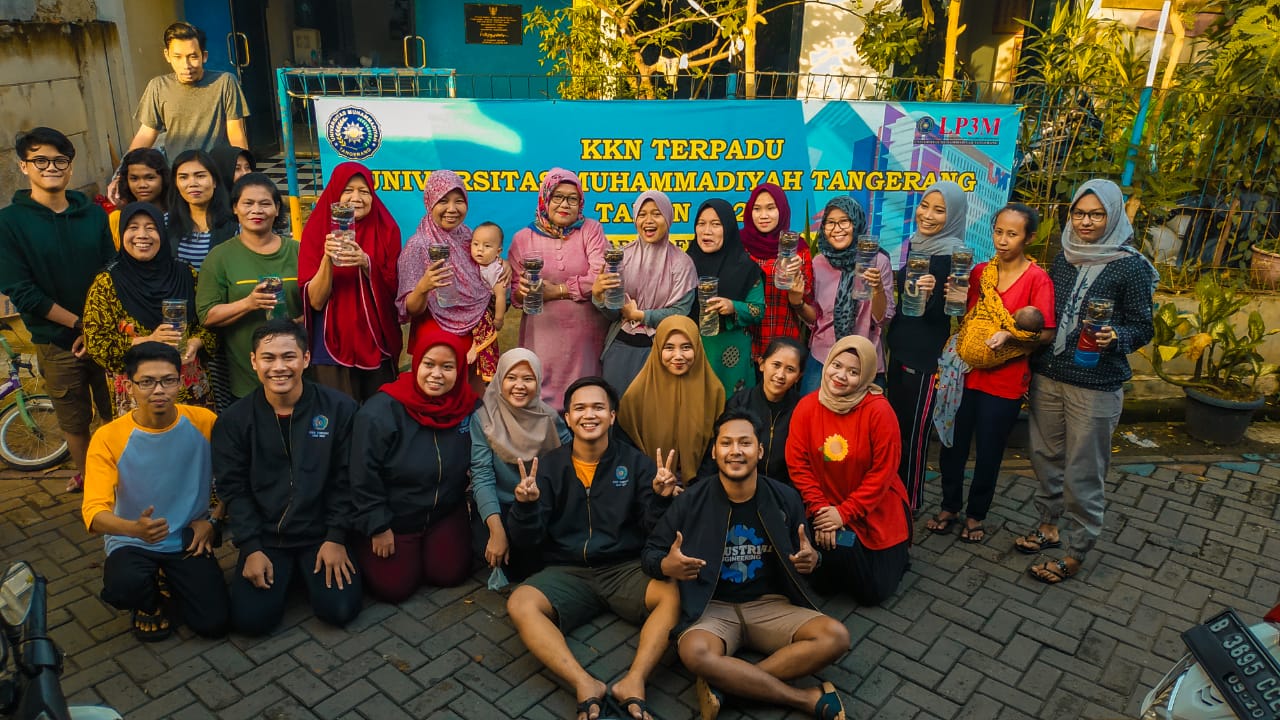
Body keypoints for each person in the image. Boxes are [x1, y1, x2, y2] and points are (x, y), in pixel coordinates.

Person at [641, 409, 849, 720]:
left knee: (836, 636)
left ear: (760, 450)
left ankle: (728, 685)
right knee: (694, 653)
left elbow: (808, 551)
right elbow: (651, 553)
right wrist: (666, 566)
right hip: (713, 608)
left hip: (770, 604)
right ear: (714, 450)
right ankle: (804, 698)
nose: (735, 451)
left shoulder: (785, 498)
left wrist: (814, 560)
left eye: (745, 443)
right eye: (726, 443)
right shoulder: (691, 500)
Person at [506, 377, 682, 720]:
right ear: (568, 418)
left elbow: (651, 530)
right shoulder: (550, 467)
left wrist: (661, 499)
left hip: (624, 568)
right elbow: (527, 540)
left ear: (613, 416)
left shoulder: (637, 464)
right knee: (520, 603)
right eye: (580, 408)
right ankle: (584, 682)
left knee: (673, 594)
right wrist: (524, 508)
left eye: (599, 407)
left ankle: (634, 680)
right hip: (567, 570)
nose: (590, 415)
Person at [1019, 180, 1156, 584]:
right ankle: (1048, 525)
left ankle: (1076, 551)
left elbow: (1143, 327)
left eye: (1096, 214)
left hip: (1095, 385)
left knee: (1084, 470)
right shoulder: (1064, 255)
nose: (1086, 222)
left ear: (1112, 216)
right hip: (1050, 374)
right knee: (1045, 457)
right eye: (1079, 213)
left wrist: (1117, 337)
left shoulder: (1130, 265)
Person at [213, 319, 362, 635]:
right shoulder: (233, 421)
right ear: (254, 361)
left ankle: (306, 571)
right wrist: (251, 547)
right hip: (268, 538)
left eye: (289, 356)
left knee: (339, 610)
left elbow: (346, 478)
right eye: (268, 358)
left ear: (306, 359)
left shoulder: (339, 409)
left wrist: (336, 537)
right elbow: (234, 489)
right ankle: (287, 573)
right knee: (252, 622)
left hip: (320, 534)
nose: (279, 367)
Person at [927, 204, 1056, 543]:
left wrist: (1011, 335)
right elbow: (964, 315)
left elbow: (1046, 333)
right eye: (998, 231)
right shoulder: (980, 272)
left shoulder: (1037, 279)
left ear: (1029, 237)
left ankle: (975, 514)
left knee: (989, 451)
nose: (1002, 240)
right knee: (951, 445)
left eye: (1012, 234)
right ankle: (949, 506)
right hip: (965, 374)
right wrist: (951, 296)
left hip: (1005, 380)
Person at [81, 342, 228, 641]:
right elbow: (94, 513)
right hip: (131, 540)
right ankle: (147, 602)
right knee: (125, 584)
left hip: (188, 536)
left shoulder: (205, 422)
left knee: (214, 624)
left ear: (181, 380)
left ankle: (167, 577)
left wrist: (213, 520)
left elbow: (236, 476)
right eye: (146, 382)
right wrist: (134, 529)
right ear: (128, 385)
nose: (158, 390)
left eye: (168, 380)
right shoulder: (108, 437)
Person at [0, 127, 115, 493]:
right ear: (24, 166)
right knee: (74, 416)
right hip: (57, 341)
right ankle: (91, 481)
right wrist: (80, 325)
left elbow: (111, 271)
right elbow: (22, 291)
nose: (51, 167)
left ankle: (128, 477)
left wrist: (98, 326)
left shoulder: (92, 214)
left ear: (70, 166)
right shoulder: (9, 223)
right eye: (40, 160)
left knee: (118, 408)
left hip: (107, 333)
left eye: (60, 160)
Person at [349, 328, 479, 602]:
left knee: (451, 574)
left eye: (447, 366)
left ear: (459, 370)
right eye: (428, 364)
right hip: (395, 517)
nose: (436, 374)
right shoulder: (381, 411)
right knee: (394, 588)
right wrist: (377, 526)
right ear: (416, 363)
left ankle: (430, 548)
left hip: (443, 511)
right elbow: (362, 474)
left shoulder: (469, 407)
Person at [786, 335, 910, 606]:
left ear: (866, 376)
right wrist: (822, 511)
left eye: (853, 372)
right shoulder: (807, 407)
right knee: (822, 583)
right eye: (837, 365)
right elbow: (798, 464)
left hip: (874, 507)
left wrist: (844, 513)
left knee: (873, 593)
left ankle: (896, 555)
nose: (841, 376)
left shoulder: (879, 411)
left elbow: (883, 472)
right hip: (823, 507)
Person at [84, 202, 217, 416]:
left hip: (189, 388)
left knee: (194, 445)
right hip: (136, 394)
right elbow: (97, 344)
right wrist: (147, 340)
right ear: (121, 233)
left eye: (151, 227)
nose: (142, 235)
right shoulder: (107, 283)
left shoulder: (186, 274)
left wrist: (195, 342)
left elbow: (212, 323)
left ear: (162, 234)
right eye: (133, 227)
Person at [884, 180, 969, 513]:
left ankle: (910, 502)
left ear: (953, 216)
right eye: (925, 206)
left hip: (924, 360)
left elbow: (947, 313)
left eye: (939, 210)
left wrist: (936, 293)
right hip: (900, 350)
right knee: (895, 432)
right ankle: (892, 496)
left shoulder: (953, 257)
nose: (928, 215)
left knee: (914, 437)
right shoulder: (919, 245)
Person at [299, 162, 402, 402]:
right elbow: (314, 301)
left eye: (364, 191)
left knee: (379, 415)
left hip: (377, 343)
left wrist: (367, 264)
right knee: (338, 416)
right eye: (348, 190)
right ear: (335, 192)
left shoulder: (387, 229)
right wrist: (327, 258)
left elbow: (395, 291)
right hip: (331, 344)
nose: (356, 197)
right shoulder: (317, 229)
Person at [196, 173, 302, 402]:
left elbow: (318, 304)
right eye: (248, 203)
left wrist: (300, 323)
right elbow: (207, 315)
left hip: (298, 374)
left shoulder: (298, 251)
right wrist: (249, 303)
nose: (257, 210)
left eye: (265, 203)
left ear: (276, 209)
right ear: (235, 208)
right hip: (245, 378)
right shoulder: (220, 257)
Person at [509, 169, 609, 410]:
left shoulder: (591, 230)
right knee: (543, 405)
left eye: (572, 199)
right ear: (545, 199)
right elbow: (514, 293)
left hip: (586, 339)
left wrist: (557, 291)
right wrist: (523, 291)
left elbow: (599, 276)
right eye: (557, 197)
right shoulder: (523, 238)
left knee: (585, 399)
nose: (565, 204)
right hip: (543, 337)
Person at [470, 348, 570, 581]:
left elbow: (568, 467)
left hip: (540, 505)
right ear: (499, 379)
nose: (519, 385)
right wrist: (497, 532)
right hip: (502, 505)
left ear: (538, 380)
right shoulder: (484, 420)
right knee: (488, 551)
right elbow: (482, 475)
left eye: (528, 378)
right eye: (511, 378)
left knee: (529, 565)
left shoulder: (550, 419)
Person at [593, 191, 697, 396]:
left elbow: (680, 313)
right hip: (620, 349)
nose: (648, 221)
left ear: (668, 217)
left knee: (655, 416)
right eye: (642, 214)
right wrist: (599, 297)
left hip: (662, 352)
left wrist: (641, 316)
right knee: (618, 413)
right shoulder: (622, 258)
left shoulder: (682, 263)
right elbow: (613, 314)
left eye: (656, 214)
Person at [792, 196, 895, 394]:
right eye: (830, 222)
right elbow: (816, 319)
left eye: (844, 221)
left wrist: (877, 288)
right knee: (814, 419)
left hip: (863, 360)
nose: (837, 228)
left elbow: (883, 318)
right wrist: (797, 303)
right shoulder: (818, 263)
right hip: (824, 357)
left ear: (856, 223)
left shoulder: (877, 261)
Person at [396, 170, 494, 374]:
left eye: (459, 201)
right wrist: (423, 288)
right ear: (430, 202)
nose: (452, 209)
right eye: (443, 201)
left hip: (473, 333)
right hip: (436, 335)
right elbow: (409, 309)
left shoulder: (469, 237)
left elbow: (486, 270)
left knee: (472, 401)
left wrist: (504, 267)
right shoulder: (418, 246)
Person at [618, 316, 725, 486]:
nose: (678, 356)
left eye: (686, 347)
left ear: (697, 348)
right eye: (669, 347)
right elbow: (626, 449)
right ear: (658, 349)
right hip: (649, 488)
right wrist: (657, 479)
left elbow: (718, 447)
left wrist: (697, 486)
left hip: (701, 489)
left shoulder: (713, 392)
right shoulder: (636, 396)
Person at [127, 22, 249, 157]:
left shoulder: (225, 82)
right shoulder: (158, 87)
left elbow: (236, 133)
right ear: (167, 55)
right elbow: (146, 133)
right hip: (177, 173)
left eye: (193, 57)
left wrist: (244, 170)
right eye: (177, 57)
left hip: (215, 173)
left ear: (204, 56)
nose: (186, 65)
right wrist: (124, 171)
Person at [686, 198, 765, 394]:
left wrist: (733, 307)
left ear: (728, 229)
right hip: (692, 352)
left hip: (732, 358)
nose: (706, 231)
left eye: (716, 224)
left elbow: (758, 310)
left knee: (733, 414)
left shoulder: (746, 268)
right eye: (701, 224)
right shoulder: (684, 264)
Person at [740, 183, 814, 362]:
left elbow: (809, 308)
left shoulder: (797, 249)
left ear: (782, 209)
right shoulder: (739, 245)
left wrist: (797, 287)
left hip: (783, 344)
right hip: (744, 344)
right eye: (757, 209)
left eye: (771, 208)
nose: (763, 215)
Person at [721, 337, 808, 485]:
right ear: (761, 364)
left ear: (798, 377)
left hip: (784, 490)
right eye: (776, 365)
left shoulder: (802, 408)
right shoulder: (740, 402)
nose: (780, 375)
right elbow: (720, 447)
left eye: (790, 369)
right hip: (741, 485)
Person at [167, 149, 237, 271]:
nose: (192, 183)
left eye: (200, 176)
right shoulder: (166, 223)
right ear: (176, 184)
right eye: (183, 177)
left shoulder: (235, 226)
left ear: (214, 181)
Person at [467, 221, 508, 381]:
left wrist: (498, 318)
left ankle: (476, 347)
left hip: (488, 305)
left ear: (498, 251)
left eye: (487, 246)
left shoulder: (495, 270)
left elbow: (500, 296)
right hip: (471, 303)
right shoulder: (470, 263)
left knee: (482, 320)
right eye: (475, 244)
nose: (479, 249)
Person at [108, 148, 169, 249]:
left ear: (164, 178)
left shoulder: (179, 214)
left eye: (150, 178)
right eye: (134, 178)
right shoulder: (118, 219)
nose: (142, 185)